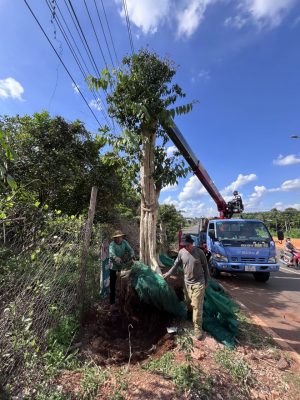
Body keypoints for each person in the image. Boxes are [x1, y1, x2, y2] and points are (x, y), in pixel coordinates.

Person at [163, 234, 210, 340]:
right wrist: (168, 274)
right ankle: (190, 316)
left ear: (192, 243)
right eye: (184, 245)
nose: (186, 247)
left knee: (197, 306)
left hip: (199, 282)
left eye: (187, 245)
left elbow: (205, 267)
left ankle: (198, 329)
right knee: (188, 303)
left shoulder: (199, 252)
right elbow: (175, 265)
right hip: (187, 283)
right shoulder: (181, 252)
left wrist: (207, 281)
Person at [109, 230, 135, 306]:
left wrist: (132, 254)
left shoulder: (124, 242)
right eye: (116, 238)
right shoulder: (112, 244)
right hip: (113, 266)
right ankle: (112, 302)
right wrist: (115, 257)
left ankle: (121, 299)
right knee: (112, 284)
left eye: (119, 237)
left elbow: (130, 249)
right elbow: (111, 253)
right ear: (114, 238)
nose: (118, 239)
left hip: (121, 265)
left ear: (122, 237)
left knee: (122, 282)